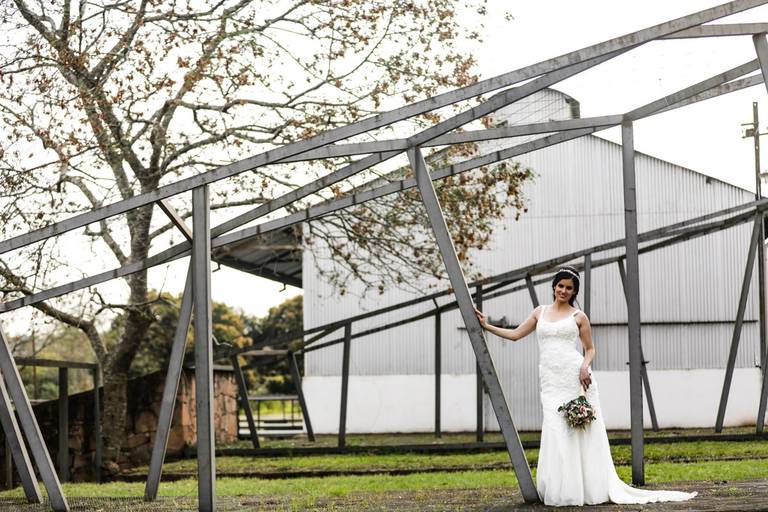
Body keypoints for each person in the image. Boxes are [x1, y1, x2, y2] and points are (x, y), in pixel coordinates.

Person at [473, 266, 698, 506]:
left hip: (575, 377)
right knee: (554, 428)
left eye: (569, 288)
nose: (563, 290)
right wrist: (487, 326)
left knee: (578, 431)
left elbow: (590, 349)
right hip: (550, 380)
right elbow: (516, 334)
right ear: (554, 287)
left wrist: (584, 366)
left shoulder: (579, 316)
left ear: (574, 292)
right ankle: (561, 489)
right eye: (560, 286)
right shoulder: (540, 312)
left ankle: (585, 488)